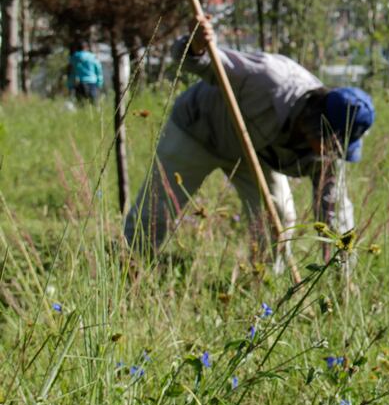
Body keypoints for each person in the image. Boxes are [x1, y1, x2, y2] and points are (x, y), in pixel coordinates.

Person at [124, 17, 375, 273]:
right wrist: (198, 44)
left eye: (337, 148)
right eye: (328, 142)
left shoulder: (328, 152)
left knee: (279, 218)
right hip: (198, 131)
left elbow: (336, 213)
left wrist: (343, 276)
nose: (327, 153)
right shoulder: (269, 78)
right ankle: (128, 267)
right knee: (157, 209)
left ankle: (264, 284)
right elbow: (198, 60)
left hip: (253, 153)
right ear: (314, 118)